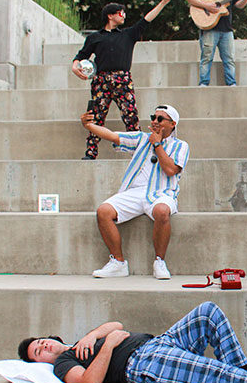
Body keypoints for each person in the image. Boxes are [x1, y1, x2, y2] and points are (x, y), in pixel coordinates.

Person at [19, 301, 247, 383]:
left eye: (41, 341)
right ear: (39, 363)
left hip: (158, 341)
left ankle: (245, 371)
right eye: (37, 351)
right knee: (206, 370)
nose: (43, 346)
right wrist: (108, 344)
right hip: (141, 365)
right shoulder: (64, 364)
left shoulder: (82, 341)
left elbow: (116, 323)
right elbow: (89, 382)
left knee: (207, 312)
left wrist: (94, 335)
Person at [80, 104, 189, 280]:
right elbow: (113, 136)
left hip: (162, 193)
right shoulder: (141, 138)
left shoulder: (181, 146)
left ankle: (159, 262)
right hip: (134, 192)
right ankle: (118, 263)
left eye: (160, 119)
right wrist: (89, 126)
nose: (155, 121)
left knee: (162, 211)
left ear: (172, 123)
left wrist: (158, 145)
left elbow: (170, 170)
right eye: (153, 117)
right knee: (104, 211)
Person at [72, 0, 173, 159]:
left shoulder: (128, 34)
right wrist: (75, 66)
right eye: (121, 13)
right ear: (110, 16)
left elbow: (146, 20)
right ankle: (91, 153)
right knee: (96, 117)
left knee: (131, 116)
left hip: (123, 80)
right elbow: (81, 56)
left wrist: (163, 3)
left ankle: (140, 152)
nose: (124, 15)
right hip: (101, 81)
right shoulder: (95, 37)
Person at [186, 0, 247, 86]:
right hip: (209, 29)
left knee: (229, 59)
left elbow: (239, 5)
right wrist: (207, 6)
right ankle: (203, 84)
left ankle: (231, 84)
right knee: (206, 58)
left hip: (226, 30)